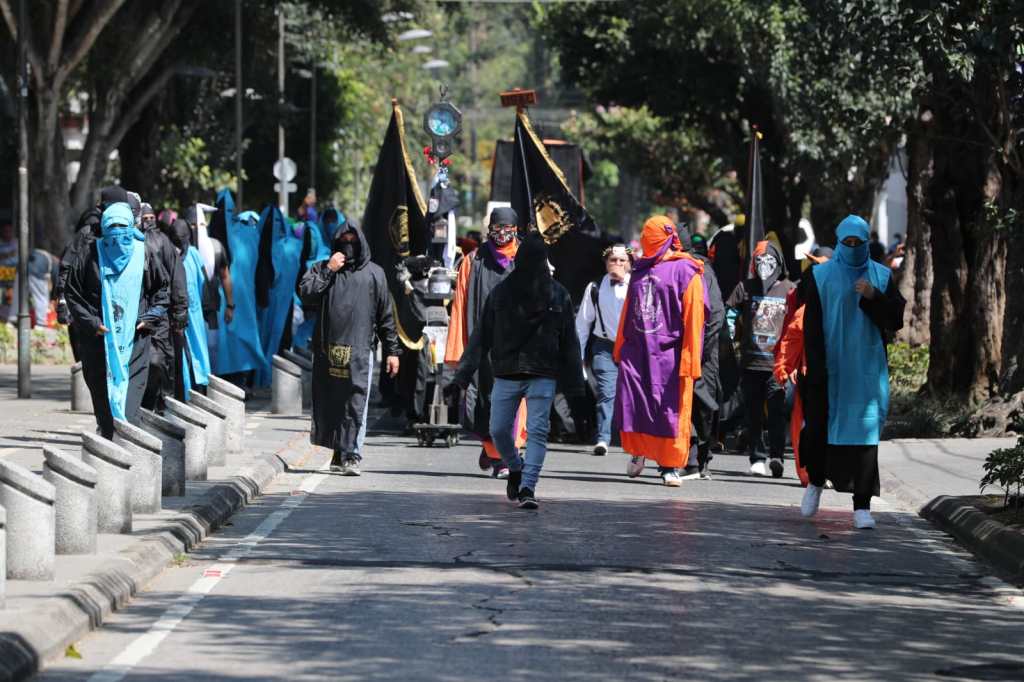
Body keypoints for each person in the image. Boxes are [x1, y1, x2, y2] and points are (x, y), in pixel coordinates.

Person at [450, 233, 584, 509]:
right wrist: (463, 374)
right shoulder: (501, 293)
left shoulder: (558, 294)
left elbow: (570, 343)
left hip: (541, 375)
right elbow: (482, 335)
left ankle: (528, 487)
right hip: (507, 374)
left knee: (536, 432)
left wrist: (575, 389)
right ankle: (516, 467)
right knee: (498, 431)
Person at [800, 215, 905, 529]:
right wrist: (816, 368)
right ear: (839, 241)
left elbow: (895, 320)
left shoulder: (881, 276)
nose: (853, 247)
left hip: (865, 369)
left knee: (865, 435)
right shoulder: (820, 275)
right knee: (820, 429)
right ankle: (815, 482)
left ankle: (862, 506)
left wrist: (874, 296)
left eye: (859, 242)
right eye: (847, 242)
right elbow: (811, 327)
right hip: (829, 369)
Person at [299, 220, 401, 476]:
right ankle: (338, 453)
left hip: (360, 351)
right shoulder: (323, 268)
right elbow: (306, 293)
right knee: (332, 403)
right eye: (343, 241)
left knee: (355, 402)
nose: (348, 245)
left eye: (352, 241)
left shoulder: (375, 274)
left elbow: (385, 316)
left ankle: (352, 454)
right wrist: (329, 270)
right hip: (327, 351)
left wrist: (392, 351)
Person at [614, 216, 707, 487]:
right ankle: (639, 451)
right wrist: (620, 347)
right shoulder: (640, 270)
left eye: (650, 237)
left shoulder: (686, 270)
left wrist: (691, 360)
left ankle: (669, 465)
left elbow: (694, 318)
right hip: (637, 352)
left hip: (671, 356)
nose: (646, 242)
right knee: (635, 405)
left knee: (670, 411)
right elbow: (627, 313)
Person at [64, 202, 170, 438]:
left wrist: (149, 318)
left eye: (123, 231)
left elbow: (162, 291)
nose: (117, 241)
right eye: (112, 232)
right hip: (98, 343)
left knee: (128, 411)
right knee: (104, 407)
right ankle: (108, 451)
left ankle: (130, 459)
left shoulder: (144, 253)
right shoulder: (89, 254)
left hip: (135, 342)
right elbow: (72, 293)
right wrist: (92, 322)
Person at [445, 207, 522, 478]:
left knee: (516, 402)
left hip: (518, 346)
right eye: (496, 228)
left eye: (507, 228)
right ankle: (495, 453)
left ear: (516, 229)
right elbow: (460, 304)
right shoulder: (474, 260)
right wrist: (459, 349)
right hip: (484, 345)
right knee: (486, 402)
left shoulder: (527, 259)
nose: (501, 233)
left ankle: (502, 452)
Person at [726, 240, 795, 478]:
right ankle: (757, 457)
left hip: (778, 364)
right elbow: (730, 311)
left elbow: (797, 322)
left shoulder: (789, 289)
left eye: (769, 261)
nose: (764, 265)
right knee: (753, 413)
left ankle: (776, 455)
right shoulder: (745, 287)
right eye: (759, 261)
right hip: (751, 363)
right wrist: (730, 330)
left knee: (777, 411)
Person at [773, 246, 833, 487]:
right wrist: (787, 366)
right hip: (806, 372)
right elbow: (791, 334)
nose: (816, 269)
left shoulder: (838, 295)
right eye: (814, 264)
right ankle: (809, 473)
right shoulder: (798, 296)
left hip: (831, 372)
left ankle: (824, 470)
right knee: (804, 425)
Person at [575, 243, 631, 456]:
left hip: (631, 347)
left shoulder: (638, 285)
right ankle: (603, 438)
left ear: (629, 264)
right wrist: (578, 357)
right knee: (606, 393)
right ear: (606, 263)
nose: (617, 264)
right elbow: (582, 324)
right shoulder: (596, 287)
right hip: (604, 346)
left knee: (631, 393)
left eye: (621, 260)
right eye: (612, 260)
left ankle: (631, 438)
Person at [681, 225, 724, 479]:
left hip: (703, 353)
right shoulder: (677, 269)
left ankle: (701, 457)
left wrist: (699, 349)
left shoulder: (702, 270)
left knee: (702, 402)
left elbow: (715, 315)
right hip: (687, 350)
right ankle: (690, 457)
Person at [138, 200, 188, 409]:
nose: (148, 222)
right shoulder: (163, 242)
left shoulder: (148, 242)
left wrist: (179, 313)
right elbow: (178, 281)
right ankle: (161, 405)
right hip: (161, 314)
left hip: (151, 313)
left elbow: (177, 280)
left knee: (156, 362)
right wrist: (179, 313)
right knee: (163, 362)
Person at [168, 218, 211, 398]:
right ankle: (185, 394)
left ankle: (199, 391)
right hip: (177, 316)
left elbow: (206, 285)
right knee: (183, 355)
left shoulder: (193, 254)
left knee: (197, 354)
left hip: (194, 313)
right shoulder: (169, 253)